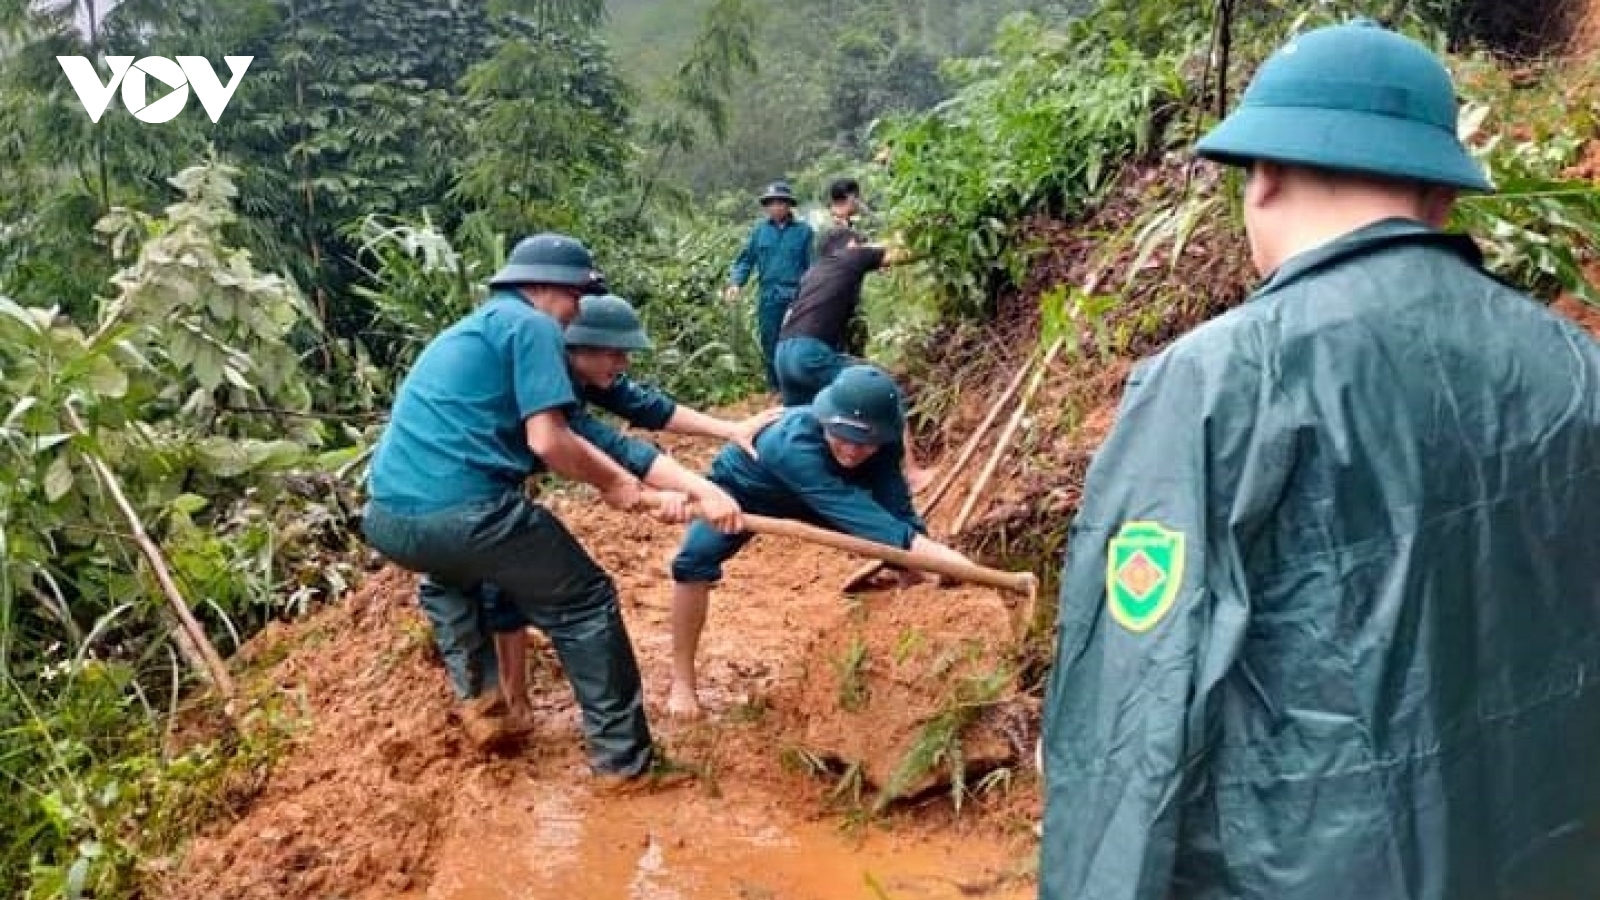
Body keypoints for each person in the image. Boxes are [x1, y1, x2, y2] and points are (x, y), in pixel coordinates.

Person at [1038, 19, 1600, 900]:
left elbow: (1133, 718)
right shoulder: (1576, 368)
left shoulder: (1220, 382)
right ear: (1441, 197)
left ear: (1262, 179)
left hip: (1295, 868)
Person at [360, 233, 735, 786]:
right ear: (546, 287)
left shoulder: (477, 332)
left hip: (388, 519)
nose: (575, 314)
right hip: (468, 512)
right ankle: (625, 766)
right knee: (585, 602)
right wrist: (618, 488)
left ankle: (485, 704)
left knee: (450, 578)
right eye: (577, 299)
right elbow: (551, 442)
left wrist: (690, 490)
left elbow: (605, 441)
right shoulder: (533, 326)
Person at [485, 293, 784, 719]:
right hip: (475, 486)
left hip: (508, 481)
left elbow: (648, 407)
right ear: (577, 347)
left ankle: (514, 701)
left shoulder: (587, 375)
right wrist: (702, 490)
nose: (623, 363)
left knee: (505, 584)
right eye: (615, 353)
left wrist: (730, 430)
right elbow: (613, 448)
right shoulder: (550, 377)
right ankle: (513, 703)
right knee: (510, 589)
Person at [666, 364, 976, 719]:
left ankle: (917, 655)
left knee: (909, 560)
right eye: (842, 436)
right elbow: (873, 525)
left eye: (866, 442)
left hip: (828, 495)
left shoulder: (883, 445)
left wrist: (924, 567)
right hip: (745, 493)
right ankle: (682, 681)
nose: (853, 450)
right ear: (825, 418)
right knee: (693, 562)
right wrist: (952, 561)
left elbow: (897, 513)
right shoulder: (790, 445)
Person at [773, 228, 933, 491]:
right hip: (810, 351)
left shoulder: (813, 273)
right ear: (851, 245)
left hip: (784, 353)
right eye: (860, 244)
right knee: (882, 392)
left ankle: (788, 482)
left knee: (796, 421)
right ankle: (911, 474)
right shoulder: (850, 257)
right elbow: (904, 252)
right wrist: (937, 238)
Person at [723, 180, 814, 393]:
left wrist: (811, 294)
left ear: (788, 205)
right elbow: (746, 260)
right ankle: (776, 387)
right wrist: (736, 283)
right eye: (771, 203)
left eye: (780, 203)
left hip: (796, 294)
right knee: (770, 340)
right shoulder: (760, 232)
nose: (776, 207)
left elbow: (812, 266)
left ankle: (798, 385)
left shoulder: (804, 232)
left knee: (797, 339)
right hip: (769, 295)